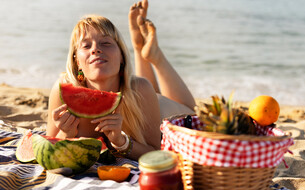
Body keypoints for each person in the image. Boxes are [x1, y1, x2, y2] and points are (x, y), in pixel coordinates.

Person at [46, 0, 195, 161]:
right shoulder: (63, 90)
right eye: (86, 46)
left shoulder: (141, 89)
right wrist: (66, 133)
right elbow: (49, 150)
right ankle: (140, 47)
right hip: (143, 97)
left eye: (106, 43)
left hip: (157, 106)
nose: (96, 48)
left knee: (191, 111)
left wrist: (121, 141)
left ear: (122, 57)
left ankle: (154, 56)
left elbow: (155, 152)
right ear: (77, 62)